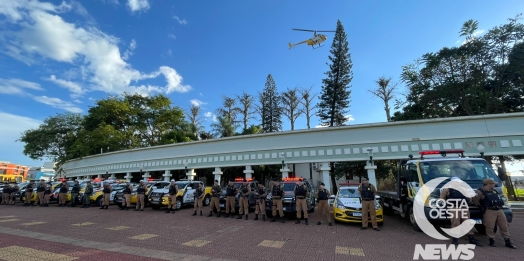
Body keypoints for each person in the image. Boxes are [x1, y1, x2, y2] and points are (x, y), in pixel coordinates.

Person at [474, 179, 517, 248]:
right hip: (489, 211)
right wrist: (482, 207)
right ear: (489, 184)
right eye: (493, 184)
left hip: (499, 210)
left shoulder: (494, 191)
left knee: (504, 226)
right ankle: (492, 241)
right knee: (490, 227)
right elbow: (476, 201)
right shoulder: (479, 192)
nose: (494, 185)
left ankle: (507, 241)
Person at [439, 177, 481, 246]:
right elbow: (442, 198)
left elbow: (469, 198)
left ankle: (471, 238)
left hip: (464, 207)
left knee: (467, 222)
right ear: (452, 182)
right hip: (454, 207)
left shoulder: (463, 189)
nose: (458, 183)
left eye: (458, 182)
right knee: (455, 222)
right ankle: (455, 239)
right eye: (456, 182)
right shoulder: (447, 189)